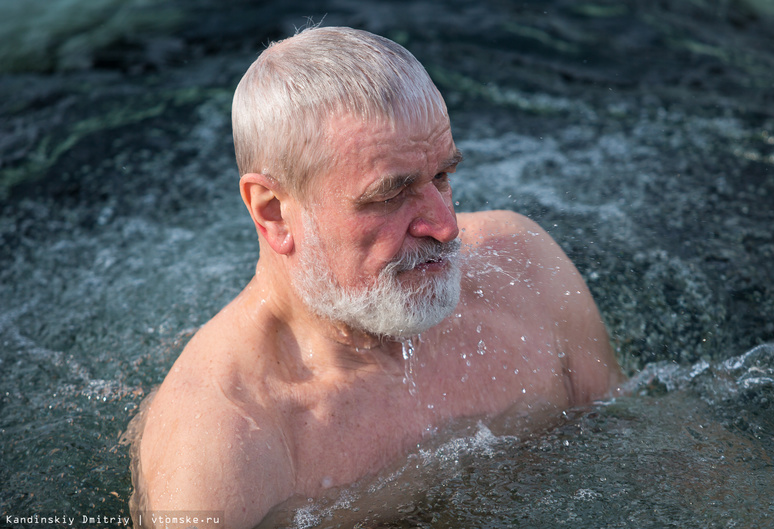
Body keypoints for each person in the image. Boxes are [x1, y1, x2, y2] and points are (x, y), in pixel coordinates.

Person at [128, 25, 623, 529]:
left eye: (443, 176)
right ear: (273, 211)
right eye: (390, 195)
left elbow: (637, 449)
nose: (446, 226)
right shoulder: (225, 446)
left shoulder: (523, 268)